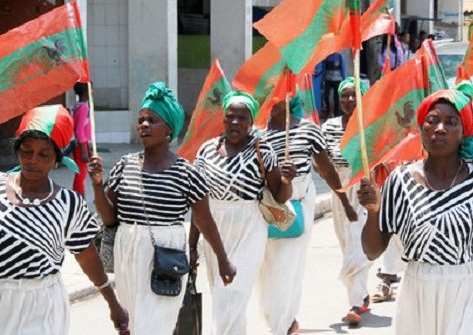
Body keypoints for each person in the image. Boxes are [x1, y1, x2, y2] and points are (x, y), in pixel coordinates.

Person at [358, 88, 473, 335]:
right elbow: (372, 251)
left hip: (470, 290)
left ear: (463, 132)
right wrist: (374, 211)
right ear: (421, 129)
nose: (440, 129)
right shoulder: (399, 181)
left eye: (451, 122)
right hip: (417, 295)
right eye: (432, 121)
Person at [88, 82, 236, 335]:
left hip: (166, 255)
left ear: (169, 129)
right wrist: (97, 185)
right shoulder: (125, 165)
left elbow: (204, 220)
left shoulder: (187, 173)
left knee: (154, 327)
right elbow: (110, 218)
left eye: (152, 120)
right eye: (141, 120)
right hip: (128, 252)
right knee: (133, 324)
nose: (144, 125)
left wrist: (223, 260)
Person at [0, 105, 129, 334]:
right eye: (26, 151)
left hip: (43, 306)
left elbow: (87, 256)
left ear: (56, 159)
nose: (33, 160)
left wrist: (113, 303)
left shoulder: (69, 203)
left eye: (44, 154)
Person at [189, 91, 294, 335]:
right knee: (222, 296)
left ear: (251, 121)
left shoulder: (262, 151)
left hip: (249, 229)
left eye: (242, 118)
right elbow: (197, 203)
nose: (235, 122)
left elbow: (280, 195)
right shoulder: (206, 151)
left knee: (233, 294)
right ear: (223, 119)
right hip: (214, 229)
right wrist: (192, 246)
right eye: (230, 117)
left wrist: (287, 181)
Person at [257, 93, 347, 334]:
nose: (272, 100)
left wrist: (344, 201)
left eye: (278, 95)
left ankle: (283, 323)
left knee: (288, 266)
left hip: (298, 204)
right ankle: (280, 318)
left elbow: (326, 168)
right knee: (268, 269)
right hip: (267, 207)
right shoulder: (257, 135)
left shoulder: (308, 130)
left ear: (288, 97)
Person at [321, 77, 375, 325]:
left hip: (363, 187)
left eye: (355, 95)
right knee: (346, 242)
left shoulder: (370, 123)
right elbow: (321, 160)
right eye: (345, 95)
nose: (350, 99)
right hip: (338, 188)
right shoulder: (329, 126)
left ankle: (354, 303)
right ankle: (361, 294)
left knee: (357, 243)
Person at [72, 82, 92, 195]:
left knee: (81, 174)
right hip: (81, 145)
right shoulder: (83, 107)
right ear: (86, 91)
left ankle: (79, 197)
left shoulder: (79, 105)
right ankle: (79, 198)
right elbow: (79, 130)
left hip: (82, 143)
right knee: (80, 174)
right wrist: (84, 150)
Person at [323, 53, 346, 118]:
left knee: (336, 98)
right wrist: (323, 80)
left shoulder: (339, 56)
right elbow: (324, 68)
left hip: (337, 80)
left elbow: (343, 68)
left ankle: (336, 114)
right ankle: (328, 112)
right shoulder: (327, 56)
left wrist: (344, 80)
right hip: (328, 79)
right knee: (326, 96)